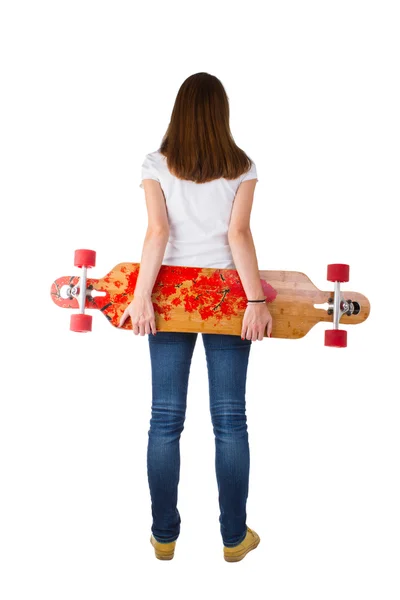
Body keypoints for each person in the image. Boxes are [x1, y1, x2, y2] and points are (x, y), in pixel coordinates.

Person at [118, 72, 273, 562]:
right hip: (228, 300)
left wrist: (141, 297)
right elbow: (239, 236)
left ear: (179, 111)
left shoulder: (155, 163)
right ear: (220, 113)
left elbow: (157, 232)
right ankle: (233, 538)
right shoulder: (242, 166)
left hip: (170, 297)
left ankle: (164, 536)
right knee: (230, 420)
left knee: (165, 418)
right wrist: (255, 301)